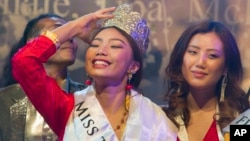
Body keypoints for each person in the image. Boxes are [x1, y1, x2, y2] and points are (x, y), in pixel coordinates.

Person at [12, 4, 178, 141]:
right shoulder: (67, 107)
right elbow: (23, 61)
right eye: (95, 44)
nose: (101, 51)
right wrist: (74, 27)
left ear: (133, 66)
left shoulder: (155, 120)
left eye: (115, 46)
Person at [0, 13, 85, 141]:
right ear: (33, 43)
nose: (69, 37)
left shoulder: (88, 97)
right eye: (60, 32)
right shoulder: (4, 99)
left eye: (71, 32)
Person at [162, 20, 249, 141]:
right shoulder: (160, 118)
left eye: (212, 55)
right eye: (193, 52)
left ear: (226, 67)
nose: (200, 62)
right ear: (181, 58)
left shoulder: (240, 120)